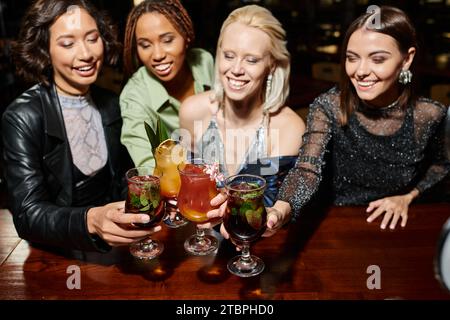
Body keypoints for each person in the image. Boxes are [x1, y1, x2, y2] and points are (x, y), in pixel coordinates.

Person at [268, 5, 450, 233]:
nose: (360, 71)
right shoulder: (328, 107)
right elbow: (307, 169)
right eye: (352, 58)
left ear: (406, 59)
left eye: (377, 59)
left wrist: (408, 196)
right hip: (334, 223)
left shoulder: (430, 115)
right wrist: (281, 209)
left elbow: (442, 167)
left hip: (394, 226)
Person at [2, 0, 159, 253]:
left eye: (92, 38)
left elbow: (121, 180)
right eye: (67, 43)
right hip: (55, 253)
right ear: (44, 50)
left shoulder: (111, 103)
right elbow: (27, 215)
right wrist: (91, 220)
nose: (86, 54)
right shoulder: (22, 117)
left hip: (114, 247)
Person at [179, 5, 305, 222]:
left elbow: (285, 205)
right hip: (201, 243)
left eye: (251, 60)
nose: (236, 69)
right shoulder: (192, 111)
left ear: (272, 65)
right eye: (229, 55)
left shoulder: (289, 127)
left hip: (259, 245)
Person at [120, 0, 214, 167]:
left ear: (186, 36)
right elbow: (147, 167)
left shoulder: (205, 62)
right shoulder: (134, 95)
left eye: (167, 40)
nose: (157, 55)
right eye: (145, 45)